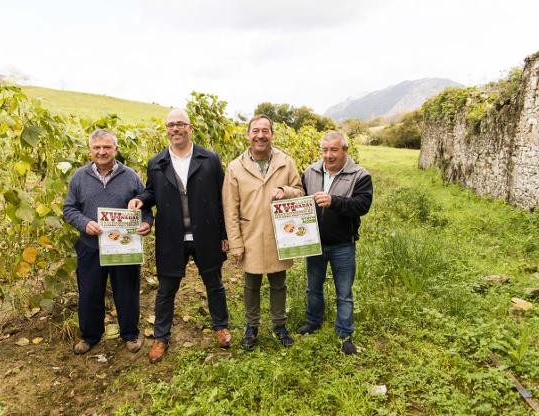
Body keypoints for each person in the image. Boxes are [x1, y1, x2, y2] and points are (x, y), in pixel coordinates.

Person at [128, 109, 231, 364]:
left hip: (205, 234)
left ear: (190, 127)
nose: (176, 129)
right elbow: (151, 192)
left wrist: (225, 234)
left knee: (214, 283)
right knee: (166, 289)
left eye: (180, 124)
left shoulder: (209, 159)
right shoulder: (157, 163)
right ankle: (161, 337)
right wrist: (141, 200)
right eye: (171, 125)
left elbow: (222, 199)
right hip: (171, 236)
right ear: (167, 129)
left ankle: (221, 327)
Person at [63, 129, 153, 355]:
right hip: (90, 246)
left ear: (115, 149)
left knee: (127, 291)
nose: (102, 152)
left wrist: (146, 224)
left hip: (123, 246)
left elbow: (145, 207)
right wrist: (85, 223)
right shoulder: (79, 177)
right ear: (90, 150)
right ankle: (90, 336)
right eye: (97, 148)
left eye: (107, 147)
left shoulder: (131, 176)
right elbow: (69, 209)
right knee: (90, 292)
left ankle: (130, 334)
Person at [222, 114, 304, 350]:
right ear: (248, 135)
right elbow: (230, 208)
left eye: (265, 131)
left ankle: (279, 325)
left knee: (279, 282)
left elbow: (299, 191)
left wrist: (284, 190)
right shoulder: (235, 167)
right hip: (251, 235)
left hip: (281, 233)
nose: (260, 135)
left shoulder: (285, 162)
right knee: (251, 284)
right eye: (255, 130)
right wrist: (236, 243)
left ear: (272, 135)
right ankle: (252, 327)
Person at [296, 131, 373, 355]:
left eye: (334, 150)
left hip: (342, 244)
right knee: (313, 288)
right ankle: (313, 322)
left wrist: (334, 202)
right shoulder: (309, 172)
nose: (328, 155)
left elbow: (362, 205)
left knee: (344, 292)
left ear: (345, 151)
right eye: (325, 150)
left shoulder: (360, 175)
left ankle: (344, 333)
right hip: (314, 243)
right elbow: (300, 198)